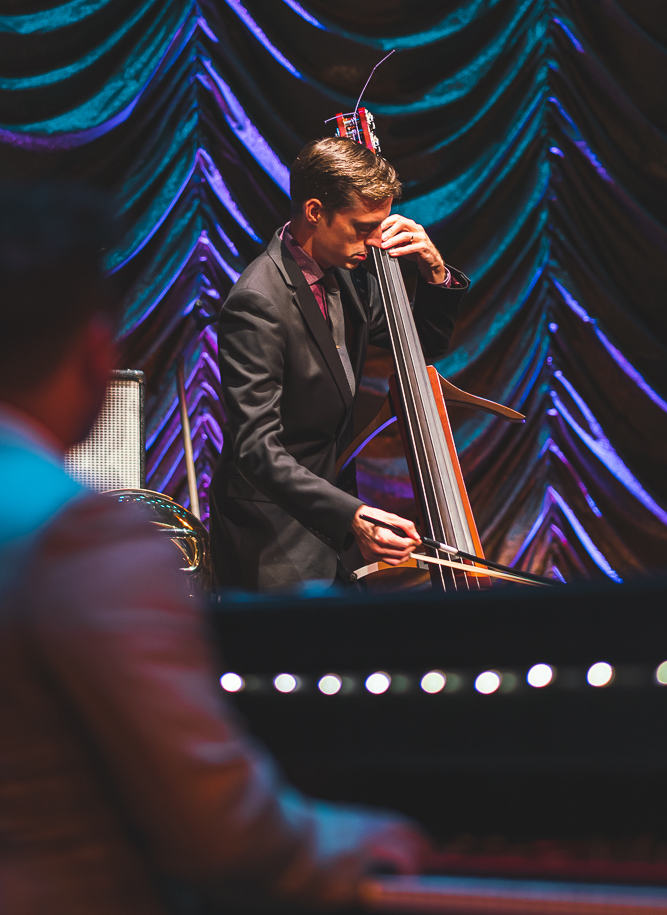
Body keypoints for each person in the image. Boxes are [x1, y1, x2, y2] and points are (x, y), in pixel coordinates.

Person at [0, 185, 429, 915]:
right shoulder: (80, 539)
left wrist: (432, 276)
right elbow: (221, 830)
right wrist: (370, 839)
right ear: (94, 352)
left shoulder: (349, 280)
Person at [209, 137, 469, 593]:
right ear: (314, 212)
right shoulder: (258, 301)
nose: (375, 242)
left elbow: (416, 345)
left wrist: (435, 271)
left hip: (333, 528)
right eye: (362, 226)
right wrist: (351, 514)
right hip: (274, 538)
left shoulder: (344, 273)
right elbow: (256, 448)